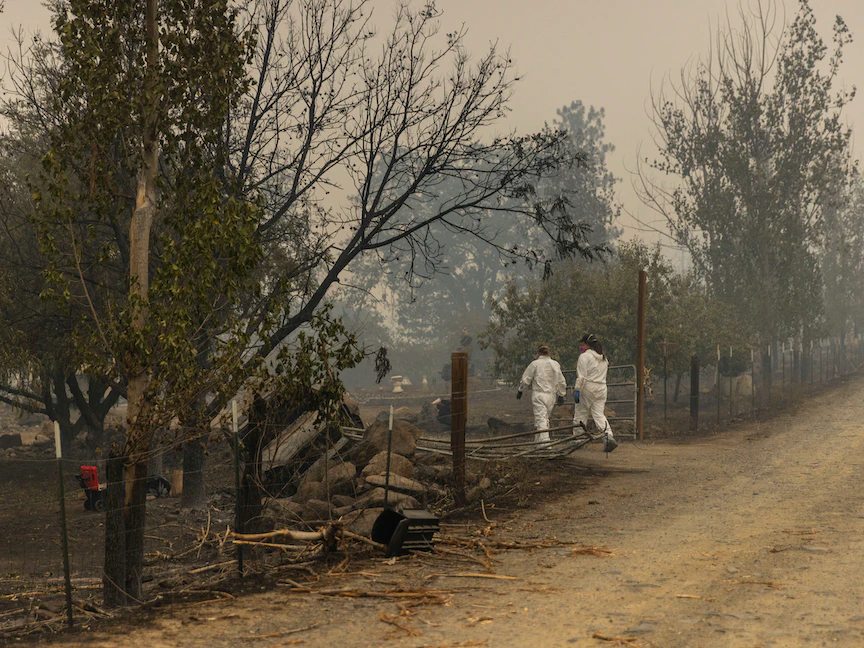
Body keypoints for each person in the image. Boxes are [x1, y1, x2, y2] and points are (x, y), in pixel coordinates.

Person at [573, 333, 618, 453]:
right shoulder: (603, 358)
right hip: (601, 387)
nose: (582, 346)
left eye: (582, 344)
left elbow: (581, 376)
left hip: (588, 387)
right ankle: (608, 437)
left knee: (581, 413)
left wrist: (577, 390)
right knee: (598, 414)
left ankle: (578, 439)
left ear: (586, 344)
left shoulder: (584, 356)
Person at [518, 344, 567, 445]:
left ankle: (545, 443)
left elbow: (526, 379)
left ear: (538, 352)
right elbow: (561, 381)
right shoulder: (555, 364)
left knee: (541, 419)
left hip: (539, 394)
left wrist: (521, 389)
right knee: (544, 418)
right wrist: (561, 394)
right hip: (551, 395)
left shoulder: (535, 364)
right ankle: (538, 442)